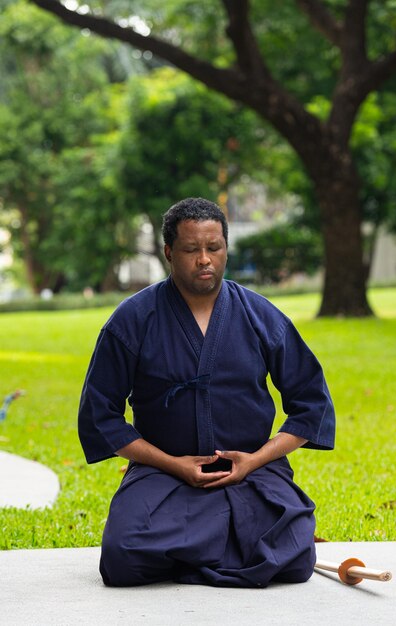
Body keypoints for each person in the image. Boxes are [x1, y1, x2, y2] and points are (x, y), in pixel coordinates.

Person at [78, 197, 335, 588]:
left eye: (214, 248)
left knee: (298, 555)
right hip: (163, 476)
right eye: (191, 249)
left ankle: (186, 556)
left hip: (252, 472)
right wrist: (172, 463)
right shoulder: (132, 320)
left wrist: (253, 461)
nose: (204, 260)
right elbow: (101, 416)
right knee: (122, 554)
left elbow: (311, 403)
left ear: (226, 248)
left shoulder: (261, 315)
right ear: (168, 252)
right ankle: (230, 553)